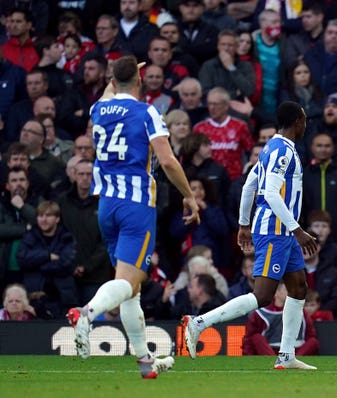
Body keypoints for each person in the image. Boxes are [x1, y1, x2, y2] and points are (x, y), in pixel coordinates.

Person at [65, 56, 200, 379]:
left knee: (131, 289)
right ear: (139, 81)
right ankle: (87, 313)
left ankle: (144, 361)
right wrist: (189, 195)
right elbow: (167, 161)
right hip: (136, 206)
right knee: (129, 281)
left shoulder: (99, 110)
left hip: (107, 206)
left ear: (112, 80)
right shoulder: (147, 112)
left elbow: (109, 93)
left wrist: (120, 75)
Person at [181, 101, 319, 370]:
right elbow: (268, 194)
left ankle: (287, 355)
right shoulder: (283, 152)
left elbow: (249, 185)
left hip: (281, 231)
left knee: (298, 288)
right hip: (275, 230)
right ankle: (198, 322)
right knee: (263, 295)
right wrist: (297, 230)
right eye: (304, 120)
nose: (306, 125)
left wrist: (244, 224)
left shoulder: (271, 148)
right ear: (297, 122)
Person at [56, 159, 112, 304]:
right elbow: (58, 234)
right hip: (66, 273)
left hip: (97, 275)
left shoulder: (105, 202)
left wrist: (87, 266)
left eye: (89, 174)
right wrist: (70, 263)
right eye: (81, 174)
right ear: (74, 175)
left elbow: (107, 239)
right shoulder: (62, 202)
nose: (85, 178)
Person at [17, 200, 78, 318]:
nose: (43, 219)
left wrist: (37, 265)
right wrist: (48, 256)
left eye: (48, 215)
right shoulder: (30, 236)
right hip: (34, 297)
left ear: (57, 218)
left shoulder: (67, 237)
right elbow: (21, 259)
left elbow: (66, 264)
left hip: (63, 299)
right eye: (40, 216)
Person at [242, 282, 319, 356]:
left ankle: (293, 361)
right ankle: (273, 361)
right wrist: (248, 355)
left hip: (295, 350)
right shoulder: (261, 313)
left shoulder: (300, 310)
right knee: (257, 338)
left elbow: (310, 334)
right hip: (271, 350)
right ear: (276, 292)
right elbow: (249, 338)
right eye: (287, 289)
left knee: (313, 341)